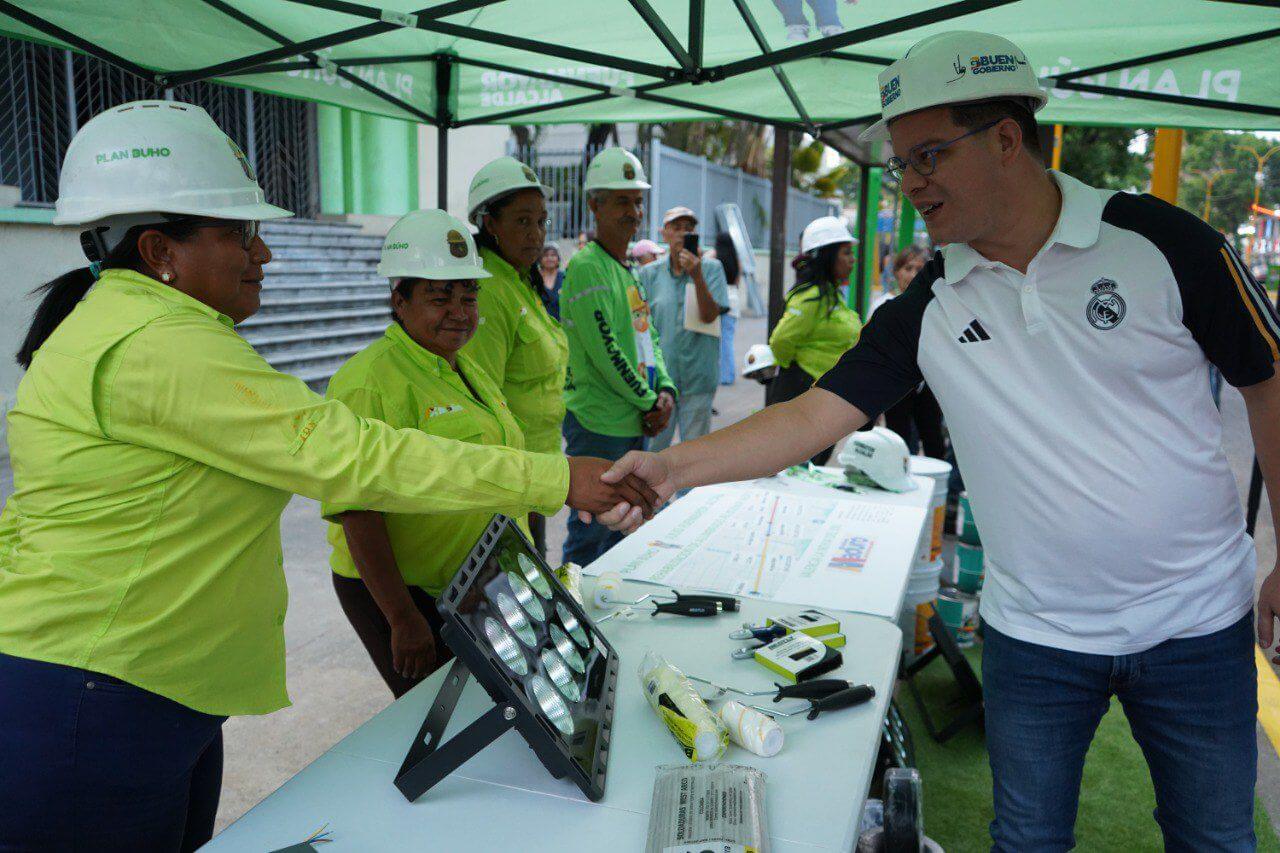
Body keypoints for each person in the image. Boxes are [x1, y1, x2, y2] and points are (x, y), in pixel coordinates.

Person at [604, 29, 1280, 852]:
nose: (912, 184)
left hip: (1197, 622)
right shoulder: (932, 302)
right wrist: (671, 466)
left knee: (1214, 837)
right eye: (902, 164)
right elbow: (814, 415)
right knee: (1027, 838)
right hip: (1038, 635)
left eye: (929, 155)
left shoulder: (1163, 246)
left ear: (1005, 139)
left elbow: (1268, 380)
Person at [0, 101, 652, 852]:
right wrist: (557, 477)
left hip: (140, 686)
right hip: (99, 696)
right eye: (242, 234)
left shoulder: (137, 326)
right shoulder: (154, 342)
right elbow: (355, 455)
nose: (264, 255)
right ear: (159, 250)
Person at [326, 209, 541, 697]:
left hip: (473, 581)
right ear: (398, 301)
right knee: (436, 717)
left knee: (485, 707)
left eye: (468, 297)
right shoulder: (368, 382)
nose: (460, 312)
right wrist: (401, 618)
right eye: (439, 298)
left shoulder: (464, 367)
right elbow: (359, 513)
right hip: (405, 595)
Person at [560, 147, 677, 565]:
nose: (634, 210)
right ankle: (573, 616)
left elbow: (649, 340)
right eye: (622, 200)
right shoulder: (587, 267)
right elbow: (606, 351)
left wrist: (665, 389)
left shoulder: (624, 269)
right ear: (595, 205)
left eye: (638, 200)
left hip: (632, 420)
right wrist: (650, 401)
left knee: (626, 528)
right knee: (591, 533)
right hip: (598, 424)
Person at [463, 157, 568, 557]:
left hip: (537, 470)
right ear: (490, 223)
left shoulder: (520, 280)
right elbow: (483, 399)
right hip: (512, 479)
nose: (536, 234)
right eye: (523, 221)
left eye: (541, 221)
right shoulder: (488, 290)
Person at [766, 215, 862, 465]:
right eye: (845, 253)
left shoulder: (831, 295)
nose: (852, 260)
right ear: (828, 255)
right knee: (797, 472)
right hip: (804, 396)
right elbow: (780, 342)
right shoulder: (811, 298)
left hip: (825, 397)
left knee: (813, 469)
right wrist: (801, 373)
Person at [641, 206, 729, 452]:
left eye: (688, 229)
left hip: (698, 377)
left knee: (694, 456)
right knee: (654, 452)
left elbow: (710, 315)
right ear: (664, 233)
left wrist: (697, 275)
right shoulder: (649, 273)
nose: (682, 234)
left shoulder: (712, 269)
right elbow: (640, 327)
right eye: (676, 228)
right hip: (661, 381)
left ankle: (689, 493)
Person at [875, 246, 946, 460]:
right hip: (896, 387)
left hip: (928, 385)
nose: (913, 275)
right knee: (900, 444)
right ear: (896, 272)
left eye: (919, 268)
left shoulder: (938, 307)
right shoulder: (883, 306)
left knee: (934, 442)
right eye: (908, 268)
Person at [715, 231, 743, 386]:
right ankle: (728, 375)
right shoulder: (736, 260)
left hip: (719, 300)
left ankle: (723, 376)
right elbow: (737, 282)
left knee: (718, 341)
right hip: (733, 299)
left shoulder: (714, 258)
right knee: (728, 340)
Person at [539, 243, 565, 320]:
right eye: (546, 255)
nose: (549, 258)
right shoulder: (535, 278)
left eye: (553, 255)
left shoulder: (565, 277)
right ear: (540, 259)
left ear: (558, 259)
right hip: (541, 324)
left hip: (562, 326)